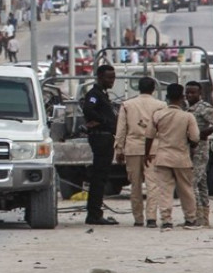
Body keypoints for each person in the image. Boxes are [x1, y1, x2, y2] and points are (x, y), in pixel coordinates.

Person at [145, 83, 201, 231]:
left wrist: (146, 154)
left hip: (162, 156)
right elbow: (195, 137)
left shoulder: (158, 115)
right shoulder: (188, 116)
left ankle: (166, 221)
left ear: (167, 97)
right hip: (182, 157)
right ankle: (190, 219)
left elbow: (149, 136)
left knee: (165, 190)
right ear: (182, 98)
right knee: (186, 189)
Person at [114, 76, 166, 228]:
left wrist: (119, 149)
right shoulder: (161, 105)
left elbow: (121, 129)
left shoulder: (127, 105)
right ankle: (151, 218)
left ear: (138, 88)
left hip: (133, 148)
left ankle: (138, 218)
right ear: (153, 89)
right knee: (153, 184)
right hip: (154, 148)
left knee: (135, 184)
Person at [82, 65, 120, 225]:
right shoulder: (94, 94)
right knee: (99, 177)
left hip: (106, 138)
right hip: (101, 138)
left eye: (113, 77)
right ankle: (94, 214)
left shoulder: (102, 94)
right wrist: (104, 121)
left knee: (101, 177)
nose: (111, 81)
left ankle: (95, 212)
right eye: (108, 77)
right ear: (99, 77)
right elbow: (88, 110)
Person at [185, 81, 213, 227]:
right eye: (188, 92)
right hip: (190, 148)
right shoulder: (186, 107)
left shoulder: (204, 108)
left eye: (193, 93)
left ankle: (197, 216)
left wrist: (203, 134)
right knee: (202, 183)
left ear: (200, 93)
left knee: (191, 183)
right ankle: (204, 218)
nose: (189, 95)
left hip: (200, 149)